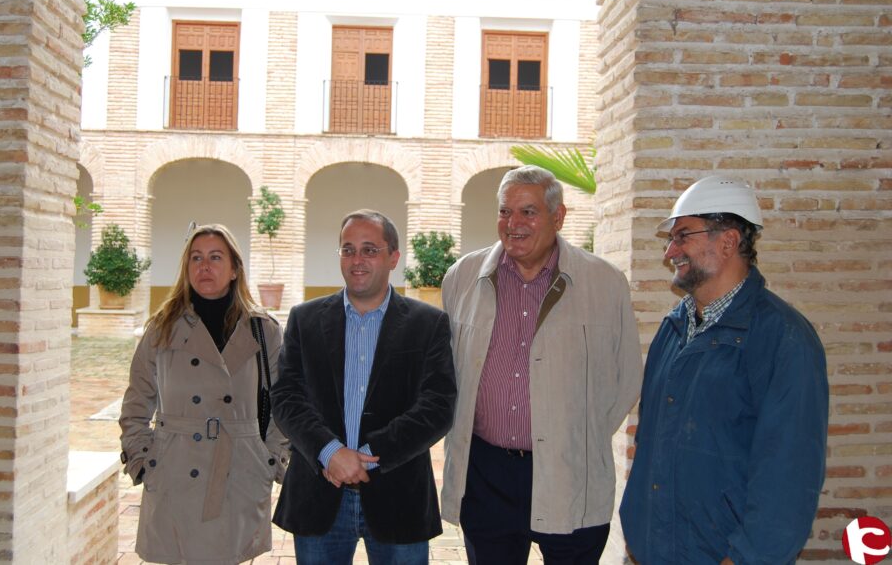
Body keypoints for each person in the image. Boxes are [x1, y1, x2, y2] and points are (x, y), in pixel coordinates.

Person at [619, 175, 829, 564]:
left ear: (728, 241)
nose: (670, 251)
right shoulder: (674, 327)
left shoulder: (783, 339)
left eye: (683, 236)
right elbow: (649, 443)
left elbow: (789, 477)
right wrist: (637, 532)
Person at [441, 165, 642, 565]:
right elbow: (447, 372)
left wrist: (576, 436)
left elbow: (625, 379)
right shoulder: (462, 277)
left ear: (558, 216)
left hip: (571, 474)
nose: (513, 224)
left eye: (528, 212)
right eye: (504, 211)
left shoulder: (605, 282)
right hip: (486, 476)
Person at [271, 209, 456, 565]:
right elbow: (287, 397)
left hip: (399, 496)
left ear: (393, 258)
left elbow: (437, 406)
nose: (357, 260)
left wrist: (368, 456)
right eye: (348, 249)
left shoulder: (427, 324)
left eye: (370, 250)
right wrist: (330, 452)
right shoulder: (304, 319)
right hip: (318, 494)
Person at [119, 223, 289, 564]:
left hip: (239, 470)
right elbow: (137, 399)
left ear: (234, 268)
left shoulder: (263, 329)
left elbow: (283, 405)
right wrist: (142, 460)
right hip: (174, 468)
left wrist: (271, 460)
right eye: (196, 258)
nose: (204, 266)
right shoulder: (162, 328)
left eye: (215, 257)